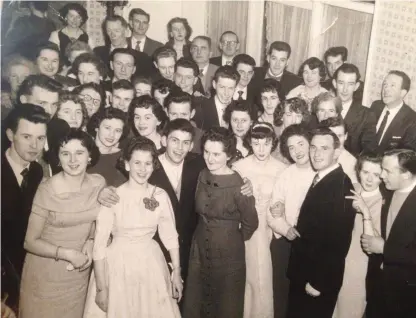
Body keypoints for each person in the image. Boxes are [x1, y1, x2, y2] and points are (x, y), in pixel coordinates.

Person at [84, 137, 182, 317]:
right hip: (117, 267)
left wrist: (176, 271)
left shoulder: (160, 195)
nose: (142, 169)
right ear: (127, 164)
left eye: (148, 163)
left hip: (150, 265)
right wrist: (101, 288)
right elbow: (99, 245)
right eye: (137, 162)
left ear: (153, 166)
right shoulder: (113, 196)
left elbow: (170, 236)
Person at [19, 129, 105, 318]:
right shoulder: (46, 189)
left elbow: (96, 221)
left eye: (79, 153)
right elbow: (30, 242)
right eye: (66, 154)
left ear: (89, 156)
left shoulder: (99, 184)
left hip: (77, 277)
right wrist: (66, 254)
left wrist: (90, 241)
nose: (73, 160)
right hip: (45, 277)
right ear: (58, 158)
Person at [183, 127, 259, 318]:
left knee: (225, 305)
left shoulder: (239, 184)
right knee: (197, 301)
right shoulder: (202, 175)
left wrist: (231, 238)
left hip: (228, 253)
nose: (210, 158)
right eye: (207, 152)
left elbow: (251, 222)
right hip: (199, 249)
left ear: (229, 155)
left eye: (216, 154)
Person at [286, 127, 355, 318]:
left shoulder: (341, 184)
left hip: (317, 281)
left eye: (324, 148)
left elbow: (339, 241)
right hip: (305, 274)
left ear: (337, 152)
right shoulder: (323, 177)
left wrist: (319, 282)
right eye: (313, 148)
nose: (316, 154)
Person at [233, 123, 286, 318]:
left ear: (273, 143)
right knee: (249, 276)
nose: (261, 149)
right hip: (246, 229)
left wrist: (282, 207)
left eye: (266, 143)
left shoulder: (282, 169)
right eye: (256, 143)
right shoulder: (239, 167)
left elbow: (286, 199)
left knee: (266, 277)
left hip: (271, 229)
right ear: (250, 143)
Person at [2, 105, 50, 313]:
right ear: (10, 134)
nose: (34, 145)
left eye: (40, 138)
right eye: (27, 137)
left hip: (25, 274)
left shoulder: (37, 172)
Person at [267, 124, 315, 318]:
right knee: (282, 294)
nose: (297, 151)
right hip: (286, 243)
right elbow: (273, 212)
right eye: (292, 147)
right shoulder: (285, 174)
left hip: (312, 243)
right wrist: (285, 228)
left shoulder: (321, 172)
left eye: (301, 144)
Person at [363, 149, 416, 318]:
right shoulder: (388, 191)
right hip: (379, 287)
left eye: (387, 171)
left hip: (406, 296)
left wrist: (385, 248)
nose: (381, 175)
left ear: (406, 174)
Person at [334, 152, 384, 318]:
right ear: (358, 171)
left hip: (360, 264)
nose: (369, 179)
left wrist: (364, 210)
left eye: (376, 175)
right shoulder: (350, 190)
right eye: (365, 172)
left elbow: (373, 243)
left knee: (349, 308)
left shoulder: (382, 202)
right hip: (338, 258)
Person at [332, 63, 377, 156]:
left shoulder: (367, 115)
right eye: (341, 83)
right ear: (334, 83)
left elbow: (368, 151)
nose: (345, 89)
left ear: (356, 86)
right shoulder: (323, 109)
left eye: (350, 84)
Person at [370, 70, 416, 153]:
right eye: (385, 84)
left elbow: (406, 156)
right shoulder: (375, 106)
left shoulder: (412, 119)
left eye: (392, 85)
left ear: (403, 93)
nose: (386, 89)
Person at [86, 108, 129, 187]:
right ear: (97, 127)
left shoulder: (125, 156)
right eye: (107, 128)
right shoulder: (83, 153)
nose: (111, 135)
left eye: (118, 130)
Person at [193, 65, 240, 130]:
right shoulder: (200, 108)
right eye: (222, 87)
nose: (226, 93)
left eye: (230, 88)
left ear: (235, 88)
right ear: (214, 84)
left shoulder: (240, 109)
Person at [319, 117, 359, 187]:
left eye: (339, 136)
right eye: (332, 136)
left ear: (346, 136)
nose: (335, 140)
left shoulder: (352, 163)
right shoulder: (318, 152)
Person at [1, 55, 38, 120]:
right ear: (8, 78)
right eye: (14, 76)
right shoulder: (3, 103)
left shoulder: (37, 102)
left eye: (24, 77)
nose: (19, 81)